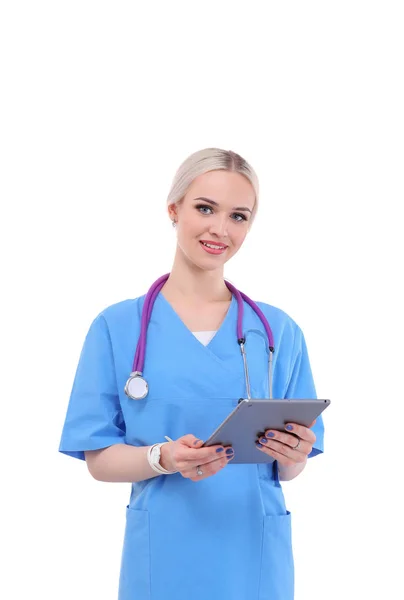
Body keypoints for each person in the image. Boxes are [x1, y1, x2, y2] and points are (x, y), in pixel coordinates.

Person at [59, 147, 325, 600]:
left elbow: (291, 467)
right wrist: (161, 458)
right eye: (205, 208)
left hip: (253, 551)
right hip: (163, 549)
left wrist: (294, 453)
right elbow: (98, 460)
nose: (220, 229)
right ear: (174, 209)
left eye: (238, 216)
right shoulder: (117, 328)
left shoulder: (277, 331)